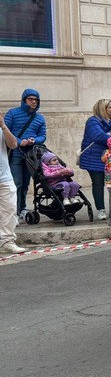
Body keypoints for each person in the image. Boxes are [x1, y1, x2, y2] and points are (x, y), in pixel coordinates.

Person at [80, 99, 111, 221]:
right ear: (103, 108)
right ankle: (101, 210)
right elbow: (99, 137)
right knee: (98, 184)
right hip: (94, 158)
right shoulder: (92, 121)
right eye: (110, 107)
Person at [4, 89, 46, 217]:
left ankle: (22, 208)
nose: (33, 102)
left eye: (36, 100)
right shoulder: (12, 113)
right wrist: (18, 141)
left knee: (25, 184)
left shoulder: (40, 118)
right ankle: (13, 210)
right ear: (24, 100)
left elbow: (43, 136)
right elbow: (4, 131)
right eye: (30, 99)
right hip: (15, 153)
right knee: (16, 183)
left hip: (31, 156)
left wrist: (34, 140)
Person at [0, 112, 25, 254]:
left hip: (4, 176)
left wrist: (3, 126)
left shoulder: (2, 128)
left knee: (9, 210)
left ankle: (7, 241)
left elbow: (13, 144)